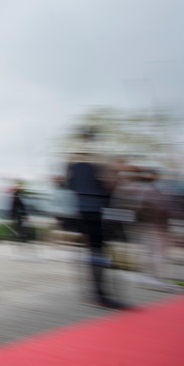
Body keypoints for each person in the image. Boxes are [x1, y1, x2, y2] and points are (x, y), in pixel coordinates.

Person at [64, 128, 127, 310]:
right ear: (94, 139)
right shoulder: (99, 158)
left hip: (79, 209)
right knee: (98, 252)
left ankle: (94, 292)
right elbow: (110, 185)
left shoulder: (72, 159)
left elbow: (68, 184)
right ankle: (100, 294)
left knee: (93, 251)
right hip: (96, 209)